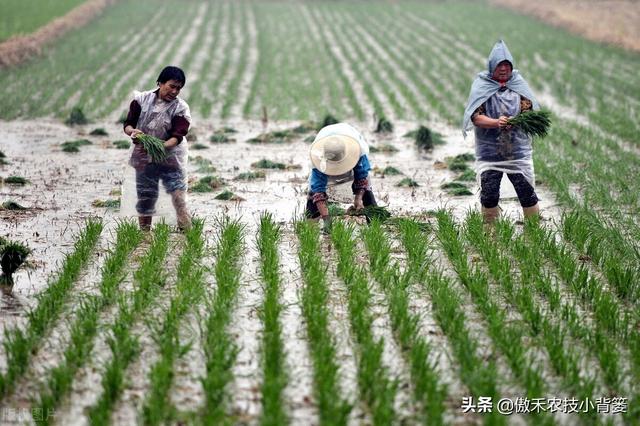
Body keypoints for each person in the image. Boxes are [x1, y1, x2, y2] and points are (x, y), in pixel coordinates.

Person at [462, 40, 541, 224]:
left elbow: (528, 112)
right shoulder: (482, 87)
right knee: (489, 195)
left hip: (517, 153)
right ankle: (490, 235)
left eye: (507, 65)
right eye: (500, 65)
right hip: (490, 155)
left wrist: (517, 121)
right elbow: (476, 117)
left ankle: (535, 232)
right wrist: (497, 122)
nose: (504, 69)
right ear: (492, 67)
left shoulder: (519, 85)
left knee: (527, 194)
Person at [123, 66, 192, 231]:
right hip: (144, 157)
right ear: (160, 83)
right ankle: (144, 236)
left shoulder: (180, 108)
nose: (175, 91)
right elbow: (128, 124)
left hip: (171, 158)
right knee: (146, 197)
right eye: (172, 86)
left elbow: (178, 135)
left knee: (178, 196)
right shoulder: (141, 100)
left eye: (178, 88)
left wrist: (161, 146)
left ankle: (187, 233)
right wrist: (133, 132)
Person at [306, 123, 377, 233]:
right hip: (325, 150)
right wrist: (326, 219)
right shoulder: (318, 159)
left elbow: (362, 177)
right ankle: (309, 230)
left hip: (349, 140)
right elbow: (318, 191)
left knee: (367, 191)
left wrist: (358, 198)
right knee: (312, 196)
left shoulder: (358, 151)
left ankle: (375, 225)